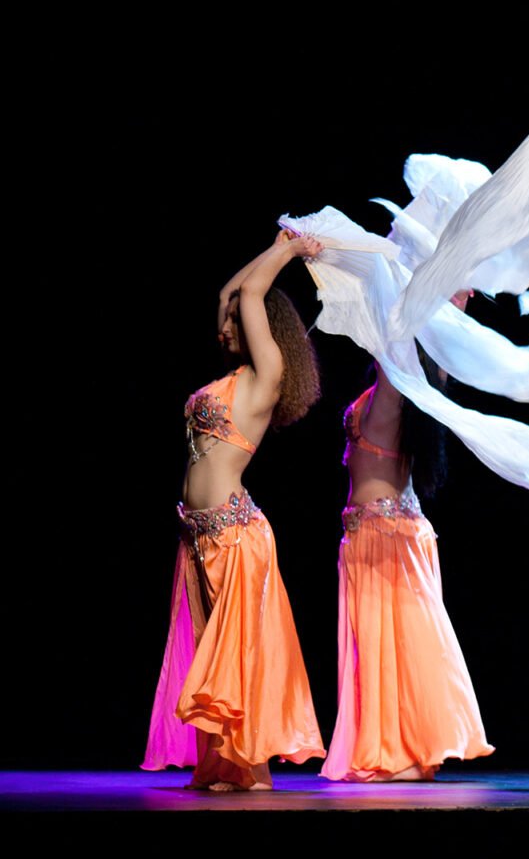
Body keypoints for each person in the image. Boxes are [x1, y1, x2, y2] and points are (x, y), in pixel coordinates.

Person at [142, 231, 327, 790]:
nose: (224, 325)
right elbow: (231, 290)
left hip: (235, 537)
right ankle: (223, 763)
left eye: (236, 321)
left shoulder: (263, 378)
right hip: (197, 536)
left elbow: (249, 291)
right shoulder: (225, 382)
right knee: (210, 648)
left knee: (237, 655)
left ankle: (253, 768)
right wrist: (274, 240)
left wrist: (288, 251)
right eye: (225, 322)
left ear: (265, 328)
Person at [320, 290, 494, 781]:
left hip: (387, 534)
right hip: (373, 533)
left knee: (403, 640)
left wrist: (447, 301)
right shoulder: (390, 393)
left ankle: (409, 751)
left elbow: (403, 337)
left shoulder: (396, 388)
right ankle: (401, 749)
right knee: (381, 643)